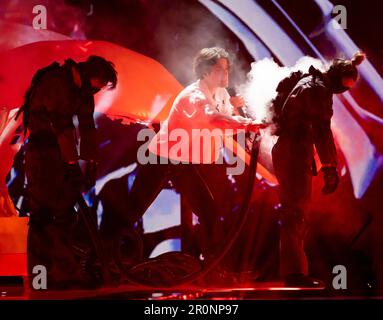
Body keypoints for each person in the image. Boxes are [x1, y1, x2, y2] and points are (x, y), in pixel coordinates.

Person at [100, 47, 261, 273]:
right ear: (205, 72)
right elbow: (214, 119)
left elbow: (226, 119)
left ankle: (214, 268)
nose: (225, 74)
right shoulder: (193, 96)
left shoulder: (221, 95)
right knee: (133, 211)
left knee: (208, 212)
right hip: (162, 159)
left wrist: (243, 118)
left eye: (226, 69)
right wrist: (246, 125)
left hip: (181, 164)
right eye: (219, 69)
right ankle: (102, 258)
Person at [17, 55, 117, 289]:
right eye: (97, 86)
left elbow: (86, 125)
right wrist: (72, 164)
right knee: (43, 215)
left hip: (58, 155)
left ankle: (62, 272)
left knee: (64, 214)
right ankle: (42, 279)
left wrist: (90, 161)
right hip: (43, 155)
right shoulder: (57, 84)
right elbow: (62, 126)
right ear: (88, 75)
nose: (96, 91)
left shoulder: (81, 90)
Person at [271, 52, 365, 287]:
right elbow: (322, 130)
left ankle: (295, 272)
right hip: (294, 151)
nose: (343, 92)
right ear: (336, 77)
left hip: (292, 150)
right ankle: (294, 275)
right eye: (344, 86)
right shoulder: (317, 89)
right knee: (295, 213)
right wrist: (330, 167)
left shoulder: (311, 82)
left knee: (296, 211)